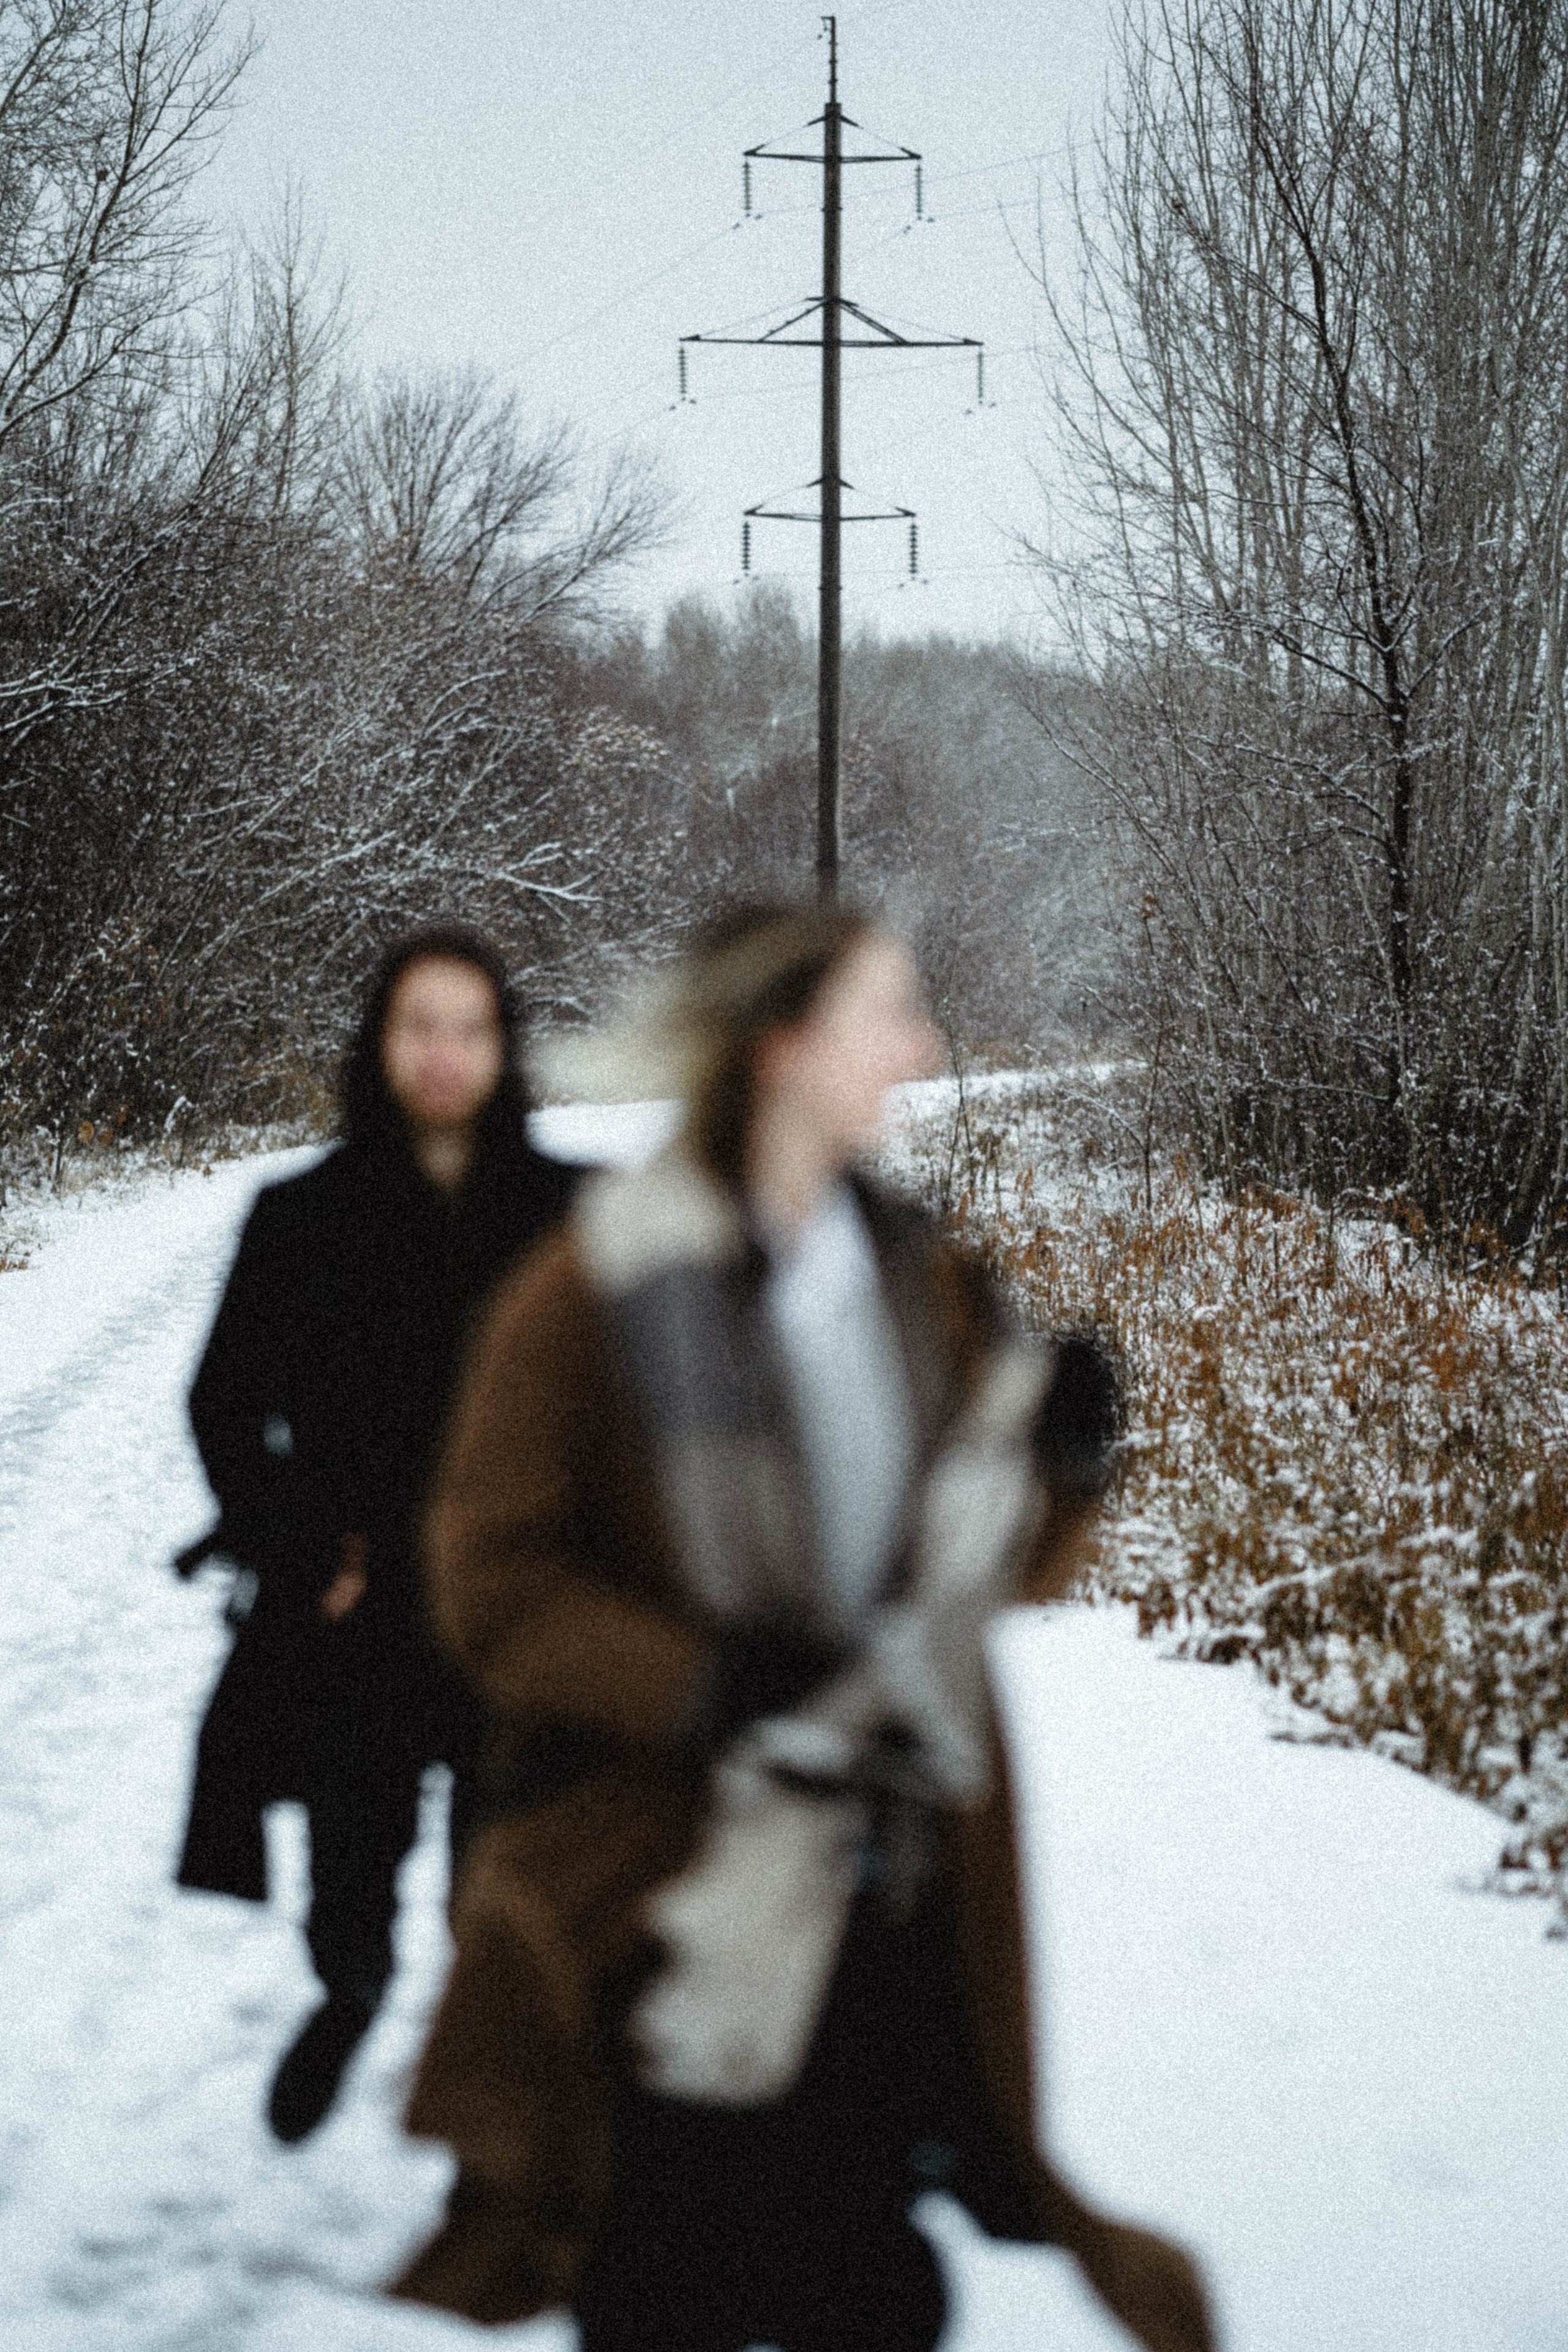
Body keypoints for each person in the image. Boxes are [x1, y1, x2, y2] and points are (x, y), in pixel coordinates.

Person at [388, 901, 1214, 2352]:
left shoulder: (922, 1279)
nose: (920, 1048)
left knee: (875, 2291)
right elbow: (490, 1583)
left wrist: (1065, 1472)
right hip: (667, 1889)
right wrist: (703, 1683)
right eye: (886, 1013)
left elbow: (989, 1579)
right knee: (664, 2285)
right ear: (779, 1045)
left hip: (885, 1884)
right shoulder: (592, 1288)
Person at [175, 924, 579, 2144]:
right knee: (353, 1849)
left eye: (471, 1029)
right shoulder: (301, 1216)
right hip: (360, 1603)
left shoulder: (569, 1214)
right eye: (420, 1026)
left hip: (512, 1606)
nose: (445, 1053)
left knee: (500, 1872)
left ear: (504, 1047)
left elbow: (632, 1412)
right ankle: (348, 1993)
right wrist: (296, 1541)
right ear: (380, 1042)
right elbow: (223, 1401)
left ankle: (484, 2097)